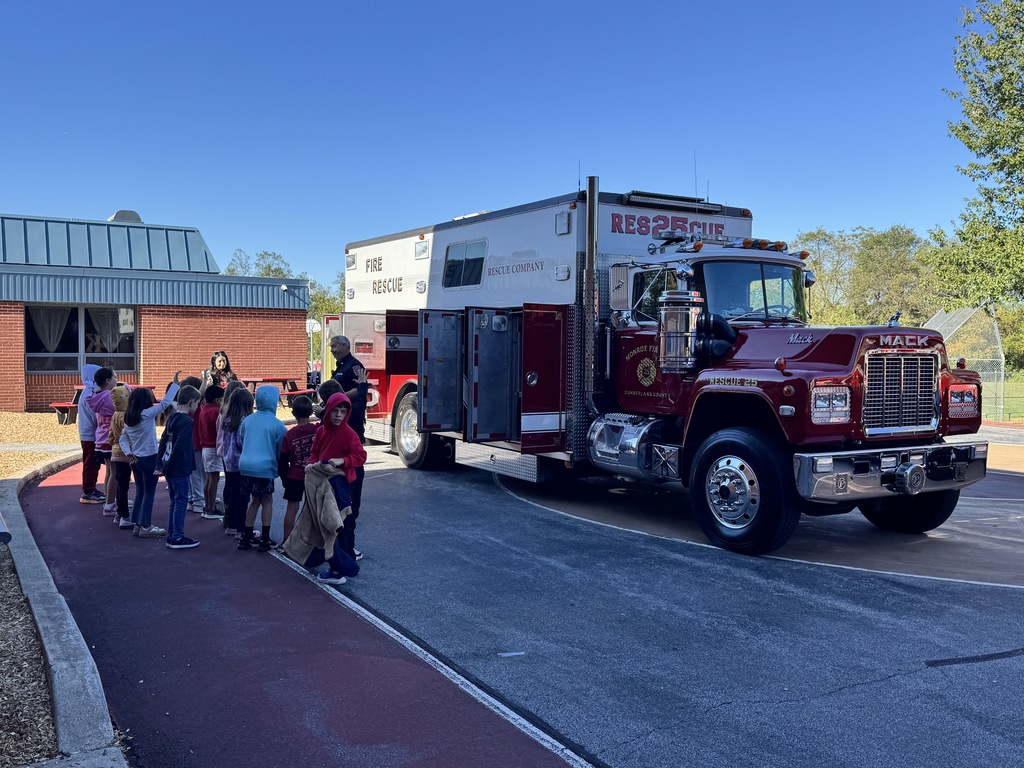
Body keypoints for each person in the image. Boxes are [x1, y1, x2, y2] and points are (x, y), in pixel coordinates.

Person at [284, 392, 366, 585]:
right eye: (335, 410)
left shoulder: (349, 433)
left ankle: (340, 568)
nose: (338, 415)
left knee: (336, 525)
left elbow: (361, 456)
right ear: (327, 410)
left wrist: (343, 461)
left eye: (343, 411)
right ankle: (326, 561)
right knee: (321, 523)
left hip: (341, 485)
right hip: (322, 483)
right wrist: (311, 463)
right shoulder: (321, 431)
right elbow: (315, 452)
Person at [120, 372, 182, 539]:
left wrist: (128, 452)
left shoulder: (129, 417)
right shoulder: (147, 413)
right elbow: (166, 403)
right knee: (149, 493)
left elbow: (123, 438)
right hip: (149, 458)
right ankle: (145, 525)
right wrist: (174, 385)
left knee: (140, 491)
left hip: (135, 460)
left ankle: (137, 523)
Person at [237, 385, 286, 552]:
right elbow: (281, 448)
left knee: (254, 500)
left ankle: (246, 536)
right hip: (265, 466)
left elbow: (241, 440)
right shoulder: (277, 425)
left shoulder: (247, 420)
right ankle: (265, 538)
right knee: (267, 500)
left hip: (246, 465)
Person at [159, 385, 203, 549]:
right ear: (192, 402)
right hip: (179, 467)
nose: (197, 407)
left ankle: (172, 534)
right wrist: (169, 465)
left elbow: (164, 440)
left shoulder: (172, 418)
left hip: (170, 466)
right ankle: (177, 536)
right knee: (181, 502)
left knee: (174, 501)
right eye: (197, 404)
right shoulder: (187, 421)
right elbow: (179, 446)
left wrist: (161, 464)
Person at [278, 395, 318, 543]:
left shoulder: (289, 435)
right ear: (311, 412)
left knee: (291, 508)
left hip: (294, 475)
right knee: (313, 509)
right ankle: (310, 541)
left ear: (293, 413)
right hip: (314, 475)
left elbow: (282, 461)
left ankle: (286, 540)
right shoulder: (317, 430)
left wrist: (285, 480)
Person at [218, 386, 254, 537]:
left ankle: (231, 525)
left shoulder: (227, 420)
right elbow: (242, 442)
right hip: (241, 463)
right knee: (243, 497)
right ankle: (241, 528)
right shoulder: (244, 422)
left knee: (233, 494)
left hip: (229, 461)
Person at [85, 368, 117, 515]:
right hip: (111, 438)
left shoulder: (97, 397)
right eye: (115, 377)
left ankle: (110, 499)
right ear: (108, 381)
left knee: (110, 472)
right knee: (115, 473)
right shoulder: (110, 397)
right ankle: (110, 504)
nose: (117, 380)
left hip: (101, 438)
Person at [329, 336, 370, 442]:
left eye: (334, 346)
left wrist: (339, 398)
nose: (331, 350)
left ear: (344, 346)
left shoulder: (354, 365)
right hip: (339, 418)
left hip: (350, 417)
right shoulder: (341, 365)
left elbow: (359, 389)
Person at [107, 385, 135, 529]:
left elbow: (110, 436)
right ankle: (124, 515)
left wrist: (114, 444)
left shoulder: (115, 415)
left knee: (120, 482)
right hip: (125, 452)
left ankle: (119, 512)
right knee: (124, 484)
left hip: (115, 452)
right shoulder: (126, 416)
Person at [77, 364, 105, 504]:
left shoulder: (88, 391)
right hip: (91, 434)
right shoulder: (90, 393)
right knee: (91, 463)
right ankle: (88, 491)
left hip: (90, 432)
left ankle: (91, 489)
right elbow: (97, 415)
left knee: (93, 462)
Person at [197, 385, 225, 520]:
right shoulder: (216, 411)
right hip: (213, 447)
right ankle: (211, 507)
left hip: (205, 447)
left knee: (209, 477)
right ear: (217, 400)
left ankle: (207, 505)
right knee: (214, 478)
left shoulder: (204, 409)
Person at [180, 375, 207, 515]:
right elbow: (201, 393)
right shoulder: (194, 407)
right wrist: (205, 380)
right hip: (196, 443)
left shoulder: (182, 408)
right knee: (197, 473)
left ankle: (192, 499)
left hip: (189, 444)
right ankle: (198, 502)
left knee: (191, 473)